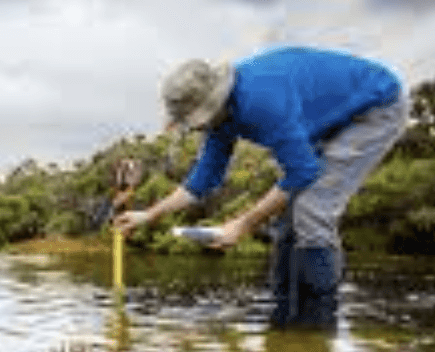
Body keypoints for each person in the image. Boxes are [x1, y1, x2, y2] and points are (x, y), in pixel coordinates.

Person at [115, 46, 408, 330]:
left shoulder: (260, 101)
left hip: (374, 108)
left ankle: (317, 325)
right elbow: (203, 179)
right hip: (326, 122)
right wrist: (148, 216)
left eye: (195, 121)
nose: (194, 127)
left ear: (214, 102)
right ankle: (284, 315)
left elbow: (303, 171)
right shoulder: (221, 119)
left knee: (311, 209)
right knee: (287, 218)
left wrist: (242, 225)